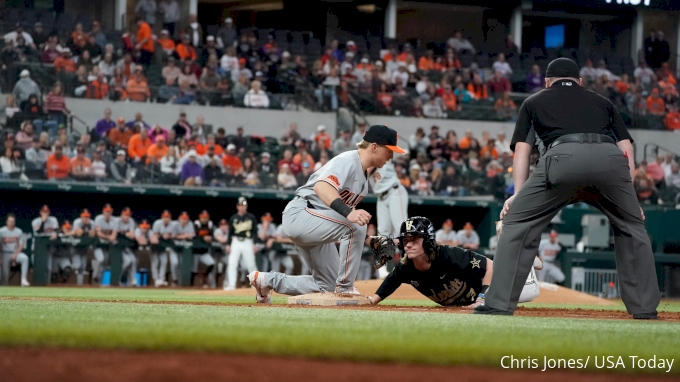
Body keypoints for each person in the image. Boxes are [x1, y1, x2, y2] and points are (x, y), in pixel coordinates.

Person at [474, 58, 660, 319]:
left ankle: (499, 304)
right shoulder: (602, 102)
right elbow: (627, 148)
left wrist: (517, 194)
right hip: (610, 162)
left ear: (547, 82)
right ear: (580, 81)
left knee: (517, 222)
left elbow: (522, 151)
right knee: (632, 229)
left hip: (562, 160)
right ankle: (645, 309)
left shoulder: (534, 101)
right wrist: (630, 198)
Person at [248, 125, 405, 303]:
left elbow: (337, 219)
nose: (391, 156)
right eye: (389, 150)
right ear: (374, 146)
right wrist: (349, 213)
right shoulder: (348, 160)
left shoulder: (363, 179)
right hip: (302, 213)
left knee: (328, 286)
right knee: (355, 226)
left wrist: (370, 240)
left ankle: (266, 281)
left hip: (316, 221)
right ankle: (346, 289)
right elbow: (321, 187)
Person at [366, 217, 538, 306]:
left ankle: (522, 256)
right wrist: (372, 300)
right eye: (405, 240)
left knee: (530, 292)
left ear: (427, 241)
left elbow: (491, 267)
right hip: (466, 301)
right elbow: (391, 281)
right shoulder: (406, 267)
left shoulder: (450, 255)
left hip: (492, 286)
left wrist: (481, 300)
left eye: (415, 239)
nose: (408, 244)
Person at [224, 197, 258, 290]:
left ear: (246, 206)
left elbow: (255, 231)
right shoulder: (233, 218)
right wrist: (228, 244)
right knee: (232, 263)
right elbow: (230, 233)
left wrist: (255, 244)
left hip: (248, 241)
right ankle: (231, 285)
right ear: (237, 206)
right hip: (235, 241)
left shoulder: (251, 217)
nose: (242, 207)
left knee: (251, 264)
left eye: (244, 205)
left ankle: (255, 285)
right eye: (240, 205)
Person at [1, 213, 30, 286]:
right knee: (5, 275)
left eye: (12, 221)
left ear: (15, 222)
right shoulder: (1, 231)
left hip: (15, 253)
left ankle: (23, 279)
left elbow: (21, 245)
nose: (11, 223)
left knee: (24, 258)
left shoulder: (18, 231)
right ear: (6, 222)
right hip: (4, 253)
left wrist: (15, 254)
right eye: (9, 221)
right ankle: (4, 290)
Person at [193, 210, 217, 288]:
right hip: (194, 252)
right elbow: (194, 235)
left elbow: (213, 235)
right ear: (200, 218)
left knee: (211, 263)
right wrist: (203, 237)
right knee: (193, 270)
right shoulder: (196, 224)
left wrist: (210, 237)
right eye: (203, 218)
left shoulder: (210, 224)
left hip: (204, 252)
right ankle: (190, 285)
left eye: (206, 218)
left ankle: (204, 278)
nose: (204, 219)